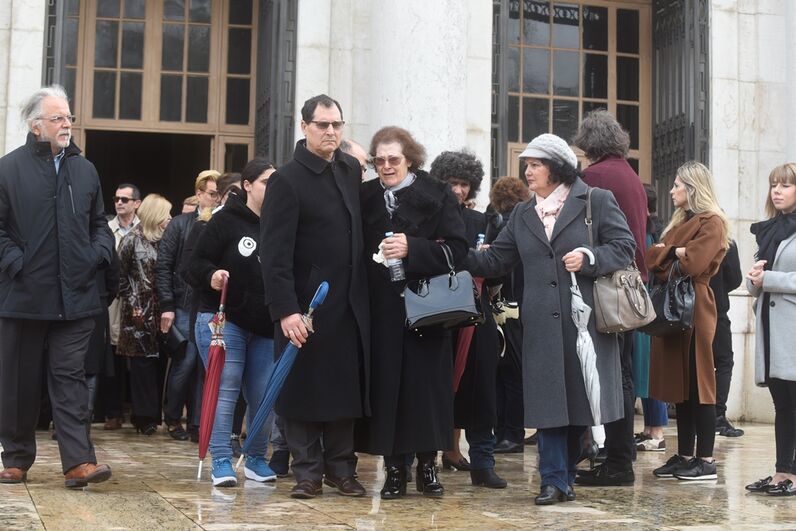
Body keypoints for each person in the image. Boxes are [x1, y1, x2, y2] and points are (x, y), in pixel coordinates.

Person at [467, 133, 634, 505]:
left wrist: (589, 258)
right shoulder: (523, 214)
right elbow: (497, 260)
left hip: (586, 324)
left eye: (535, 164)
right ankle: (553, 479)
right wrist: (454, 252)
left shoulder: (595, 200)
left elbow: (625, 247)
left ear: (556, 168)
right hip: (540, 324)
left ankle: (565, 474)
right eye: (526, 164)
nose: (528, 171)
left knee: (579, 404)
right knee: (548, 404)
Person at [0, 85, 115, 487]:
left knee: (69, 380)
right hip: (23, 297)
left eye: (68, 116)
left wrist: (99, 254)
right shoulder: (7, 169)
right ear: (36, 126)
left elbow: (99, 224)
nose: (67, 124)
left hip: (77, 297)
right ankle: (14, 457)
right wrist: (18, 263)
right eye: (58, 118)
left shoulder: (85, 169)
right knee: (18, 381)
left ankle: (78, 462)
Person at [260, 94, 370, 499]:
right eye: (323, 125)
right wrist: (286, 310)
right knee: (302, 390)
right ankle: (307, 472)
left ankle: (342, 469)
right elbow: (273, 254)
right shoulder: (286, 180)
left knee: (343, 390)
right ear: (304, 127)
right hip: (304, 307)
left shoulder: (348, 169)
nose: (330, 132)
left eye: (337, 125)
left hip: (348, 305)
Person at [354, 126, 467, 499]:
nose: (386, 166)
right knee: (388, 390)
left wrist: (413, 247)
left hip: (427, 308)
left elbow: (458, 249)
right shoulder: (365, 195)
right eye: (380, 160)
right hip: (381, 310)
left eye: (394, 159)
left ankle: (429, 466)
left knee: (426, 391)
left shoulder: (437, 193)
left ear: (410, 159)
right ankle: (395, 469)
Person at [188, 158, 278, 487]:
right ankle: (222, 460)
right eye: (268, 181)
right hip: (226, 321)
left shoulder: (280, 223)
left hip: (265, 324)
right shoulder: (224, 221)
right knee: (226, 391)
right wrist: (212, 275)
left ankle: (255, 458)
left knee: (263, 396)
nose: (273, 188)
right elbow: (193, 263)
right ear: (248, 186)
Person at [572, 109, 648, 487]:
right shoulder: (629, 175)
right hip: (628, 290)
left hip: (604, 290)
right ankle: (618, 457)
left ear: (589, 143)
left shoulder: (595, 177)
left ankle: (617, 461)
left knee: (609, 376)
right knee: (623, 375)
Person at [647, 161, 730, 481]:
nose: (671, 190)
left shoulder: (712, 222)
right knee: (680, 386)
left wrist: (669, 253)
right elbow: (650, 258)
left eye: (677, 185)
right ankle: (684, 456)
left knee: (700, 385)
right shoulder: (681, 221)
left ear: (693, 188)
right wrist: (674, 251)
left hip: (695, 307)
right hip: (675, 305)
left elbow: (694, 264)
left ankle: (705, 459)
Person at [429, 149, 507, 488]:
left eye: (463, 184)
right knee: (431, 389)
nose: (457, 190)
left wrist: (484, 262)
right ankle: (427, 464)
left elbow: (498, 270)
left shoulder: (482, 222)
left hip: (477, 317)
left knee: (482, 391)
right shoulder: (426, 220)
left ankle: (483, 463)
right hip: (434, 315)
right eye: (451, 183)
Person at [156, 170, 220, 441]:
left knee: (207, 364)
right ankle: (172, 417)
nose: (216, 198)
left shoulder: (221, 223)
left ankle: (197, 422)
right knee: (187, 360)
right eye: (211, 193)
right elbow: (164, 265)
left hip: (210, 304)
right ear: (199, 194)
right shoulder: (180, 224)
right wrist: (167, 305)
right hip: (183, 303)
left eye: (219, 194)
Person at [745, 162, 796, 496]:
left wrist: (771, 279)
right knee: (784, 405)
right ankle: (782, 473)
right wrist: (755, 279)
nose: (776, 190)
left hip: (791, 330)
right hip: (771, 327)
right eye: (773, 184)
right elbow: (758, 285)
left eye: (785, 185)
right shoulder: (771, 229)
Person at [117, 194, 172, 435]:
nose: (170, 218)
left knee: (159, 361)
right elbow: (119, 276)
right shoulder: (132, 240)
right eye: (166, 213)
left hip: (162, 309)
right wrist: (133, 301)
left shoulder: (166, 240)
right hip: (138, 311)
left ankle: (154, 415)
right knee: (142, 365)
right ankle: (143, 417)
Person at [486, 177, 531, 454]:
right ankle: (511, 432)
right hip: (519, 304)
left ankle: (507, 432)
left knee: (504, 374)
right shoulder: (523, 219)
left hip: (503, 305)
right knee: (512, 375)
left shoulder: (496, 221)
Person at [104, 182, 142, 430]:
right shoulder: (106, 229)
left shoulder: (145, 229)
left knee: (140, 358)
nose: (119, 202)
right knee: (112, 356)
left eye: (125, 199)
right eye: (117, 198)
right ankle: (113, 412)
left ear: (137, 203)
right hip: (113, 301)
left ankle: (142, 414)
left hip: (141, 303)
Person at [634, 184, 668, 452]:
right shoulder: (647, 231)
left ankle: (656, 431)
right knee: (643, 371)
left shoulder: (649, 234)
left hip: (646, 310)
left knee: (649, 371)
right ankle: (649, 429)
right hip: (641, 309)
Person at [710, 241, 744, 437]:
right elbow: (735, 278)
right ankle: (717, 416)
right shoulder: (725, 239)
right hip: (715, 308)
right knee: (723, 362)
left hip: (686, 310)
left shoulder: (683, 233)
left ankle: (701, 416)